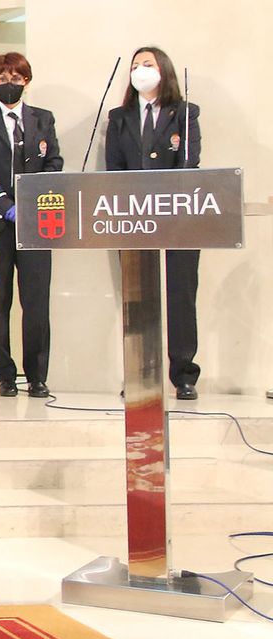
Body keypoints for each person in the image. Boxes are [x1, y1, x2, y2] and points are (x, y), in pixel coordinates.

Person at [0, 52, 63, 398]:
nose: (9, 84)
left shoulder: (43, 119)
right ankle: (5, 373)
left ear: (26, 82)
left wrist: (31, 201)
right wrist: (3, 203)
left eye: (16, 79)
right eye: (2, 79)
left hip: (36, 224)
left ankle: (37, 375)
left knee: (36, 302)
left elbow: (54, 162)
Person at [105, 46, 202, 400]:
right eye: (134, 66)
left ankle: (184, 375)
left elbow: (189, 163)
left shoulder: (185, 113)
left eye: (147, 64)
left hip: (179, 215)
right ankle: (140, 375)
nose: (140, 70)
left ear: (163, 70)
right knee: (138, 298)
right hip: (132, 219)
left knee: (180, 295)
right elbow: (113, 169)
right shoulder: (119, 117)